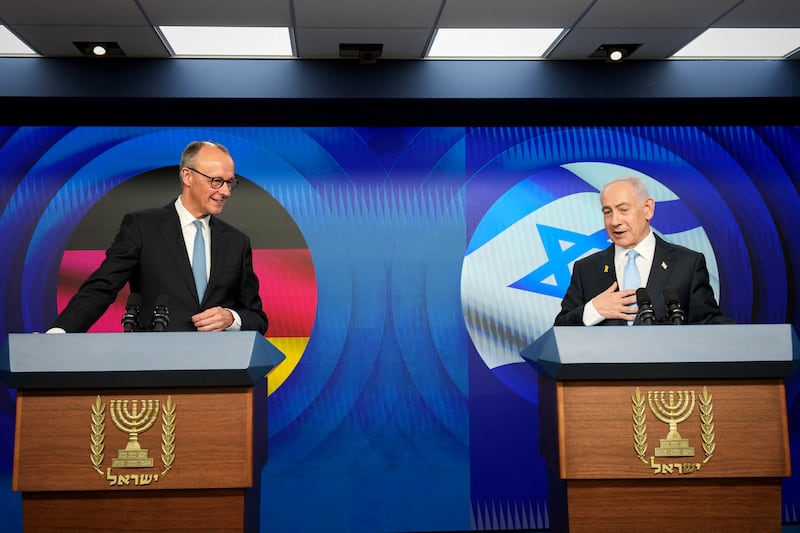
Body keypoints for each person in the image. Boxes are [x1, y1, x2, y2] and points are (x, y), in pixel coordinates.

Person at [49, 140, 268, 334]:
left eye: (230, 182)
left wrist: (232, 319)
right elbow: (102, 287)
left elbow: (257, 318)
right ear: (187, 176)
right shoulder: (143, 227)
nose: (226, 191)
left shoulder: (236, 242)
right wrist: (60, 332)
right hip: (156, 367)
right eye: (216, 181)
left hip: (223, 371)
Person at [554, 177, 732, 326]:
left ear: (648, 209)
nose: (614, 221)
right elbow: (560, 331)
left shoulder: (687, 264)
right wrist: (594, 310)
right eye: (607, 212)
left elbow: (709, 325)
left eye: (623, 210)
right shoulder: (586, 269)